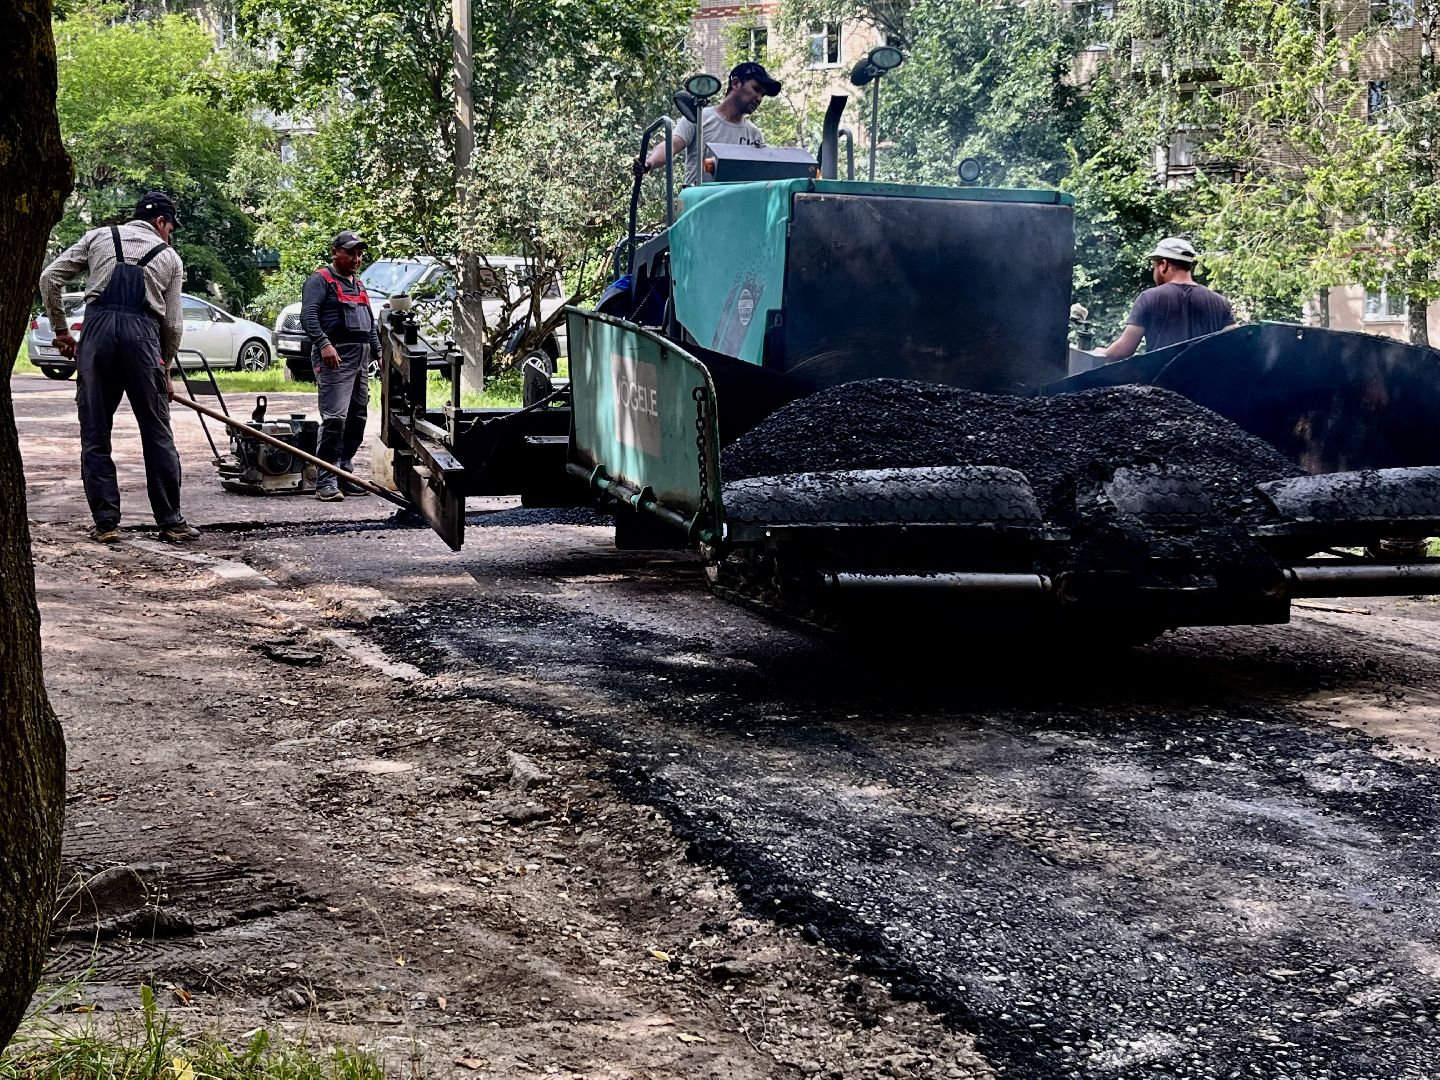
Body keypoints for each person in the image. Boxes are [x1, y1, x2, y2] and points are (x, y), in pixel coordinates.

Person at [39, 190, 200, 543]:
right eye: (170, 227)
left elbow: (50, 278)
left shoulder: (98, 236)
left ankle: (107, 523)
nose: (169, 234)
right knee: (157, 432)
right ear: (161, 222)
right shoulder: (169, 257)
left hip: (96, 334)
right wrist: (164, 366)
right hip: (143, 337)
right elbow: (172, 326)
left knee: (96, 432)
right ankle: (171, 521)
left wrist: (63, 331)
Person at [301, 230, 381, 501]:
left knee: (357, 418)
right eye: (351, 252)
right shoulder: (319, 281)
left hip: (361, 360)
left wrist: (379, 352)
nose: (357, 258)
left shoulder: (358, 285)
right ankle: (325, 480)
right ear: (335, 251)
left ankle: (345, 472)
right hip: (334, 359)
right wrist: (324, 344)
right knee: (335, 420)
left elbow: (370, 324)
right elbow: (308, 316)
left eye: (359, 253)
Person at [639, 61, 782, 187]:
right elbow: (672, 145)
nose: (759, 98)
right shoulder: (699, 117)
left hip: (734, 209)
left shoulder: (754, 135)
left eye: (762, 95)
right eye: (756, 89)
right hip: (697, 206)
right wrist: (648, 163)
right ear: (736, 83)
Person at [1103, 237, 1237, 362]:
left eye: (1154, 266)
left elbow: (1123, 351)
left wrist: (1102, 353)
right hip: (1204, 385)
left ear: (1163, 265)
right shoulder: (1220, 302)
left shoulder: (1149, 298)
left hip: (1159, 385)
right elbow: (1235, 344)